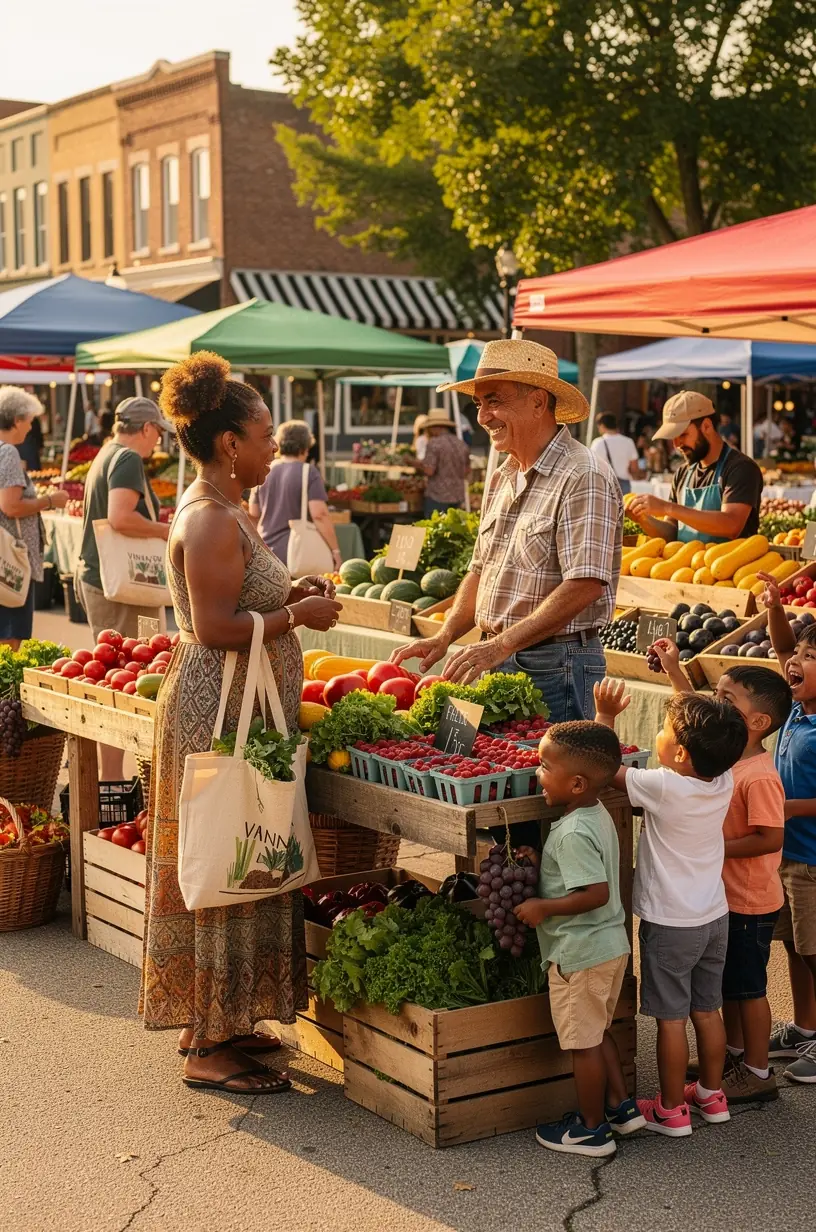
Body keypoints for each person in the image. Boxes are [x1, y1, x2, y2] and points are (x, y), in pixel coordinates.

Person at [140, 351, 342, 1094]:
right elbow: (221, 625)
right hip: (218, 706)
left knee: (241, 849)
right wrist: (299, 613)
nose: (270, 451)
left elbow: (239, 601)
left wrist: (293, 589)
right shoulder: (210, 517)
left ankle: (219, 1019)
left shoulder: (227, 509)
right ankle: (207, 1047)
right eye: (262, 439)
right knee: (228, 849)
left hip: (236, 702)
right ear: (231, 444)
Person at [392, 340, 622, 727]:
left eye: (493, 401)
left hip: (554, 665)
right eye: (478, 404)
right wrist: (446, 635)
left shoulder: (584, 475)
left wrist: (500, 645)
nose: (482, 416)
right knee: (497, 777)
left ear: (537, 402)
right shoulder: (502, 475)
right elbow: (480, 569)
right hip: (498, 656)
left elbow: (585, 584)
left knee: (551, 782)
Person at [595, 681, 748, 1137]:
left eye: (663, 729)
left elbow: (603, 768)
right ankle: (711, 1096)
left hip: (671, 926)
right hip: (714, 918)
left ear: (680, 753)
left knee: (671, 1020)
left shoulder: (663, 787)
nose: (658, 734)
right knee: (707, 1010)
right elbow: (710, 737)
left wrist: (605, 716)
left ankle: (669, 1109)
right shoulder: (724, 779)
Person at [652, 643, 791, 1103]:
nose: (715, 703)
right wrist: (674, 670)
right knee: (727, 984)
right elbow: (698, 719)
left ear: (757, 723)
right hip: (723, 897)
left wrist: (712, 847)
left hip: (750, 900)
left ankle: (757, 1070)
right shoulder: (726, 759)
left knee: (749, 987)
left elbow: (771, 838)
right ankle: (729, 1056)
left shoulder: (757, 775)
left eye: (726, 699)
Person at [515, 722, 641, 1158]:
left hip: (580, 954)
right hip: (610, 947)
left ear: (577, 782)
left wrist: (543, 908)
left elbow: (594, 892)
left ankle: (591, 1131)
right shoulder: (594, 814)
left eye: (545, 766)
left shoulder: (570, 832)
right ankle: (621, 1107)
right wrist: (539, 860)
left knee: (582, 1043)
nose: (537, 773)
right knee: (599, 1031)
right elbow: (584, 872)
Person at [755, 569, 816, 1084]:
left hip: (813, 859)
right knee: (795, 945)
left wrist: (787, 808)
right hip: (788, 854)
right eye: (799, 654)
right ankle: (804, 1026)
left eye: (810, 659)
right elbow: (779, 649)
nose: (794, 662)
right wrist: (775, 606)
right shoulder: (798, 707)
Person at [628, 391, 763, 545]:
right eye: (673, 437)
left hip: (732, 568)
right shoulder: (683, 473)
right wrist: (643, 519)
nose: (676, 444)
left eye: (683, 435)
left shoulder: (741, 468)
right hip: (688, 568)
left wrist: (667, 508)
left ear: (706, 426)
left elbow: (731, 525)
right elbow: (672, 533)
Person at [0, 387, 68, 647]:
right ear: (16, 420)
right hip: (11, 561)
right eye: (30, 420)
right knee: (10, 636)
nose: (30, 428)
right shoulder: (7, 452)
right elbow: (11, 506)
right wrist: (49, 501)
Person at [249, 419, 342, 574]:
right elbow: (320, 515)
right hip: (296, 554)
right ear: (305, 447)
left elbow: (253, 515)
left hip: (266, 553)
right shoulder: (309, 472)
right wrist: (336, 552)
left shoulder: (264, 470)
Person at [412, 408, 471, 516]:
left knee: (433, 529)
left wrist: (414, 464)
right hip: (457, 495)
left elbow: (429, 470)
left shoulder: (434, 443)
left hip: (437, 496)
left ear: (436, 427)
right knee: (453, 529)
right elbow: (467, 471)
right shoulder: (461, 443)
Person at [589, 414, 641, 496]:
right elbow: (634, 468)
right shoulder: (628, 442)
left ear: (602, 426)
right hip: (624, 485)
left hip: (604, 484)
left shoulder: (597, 443)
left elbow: (592, 467)